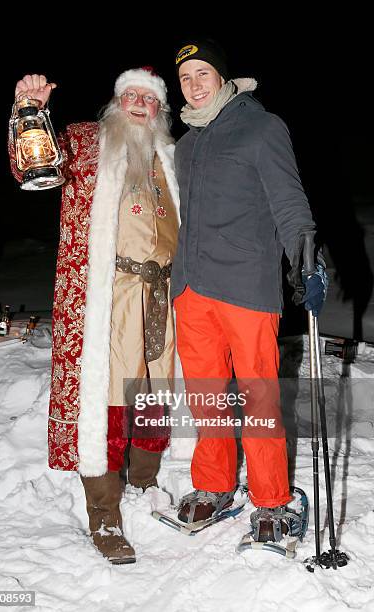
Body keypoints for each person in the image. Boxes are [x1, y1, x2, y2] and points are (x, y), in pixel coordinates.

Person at [8, 67, 180, 563]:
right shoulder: (87, 143)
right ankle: (104, 512)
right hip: (107, 296)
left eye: (150, 99)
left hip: (163, 296)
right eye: (131, 96)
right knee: (105, 403)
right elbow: (35, 169)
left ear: (161, 110)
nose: (140, 105)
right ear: (115, 101)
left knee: (153, 395)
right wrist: (30, 112)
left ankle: (144, 486)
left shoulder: (172, 156)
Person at [170, 39, 327, 541]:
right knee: (206, 396)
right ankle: (214, 485)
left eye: (202, 73)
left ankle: (273, 500)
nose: (194, 85)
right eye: (185, 77)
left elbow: (288, 199)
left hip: (244, 286)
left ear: (222, 76)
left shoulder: (261, 127)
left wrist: (307, 257)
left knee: (259, 397)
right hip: (192, 287)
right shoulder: (187, 142)